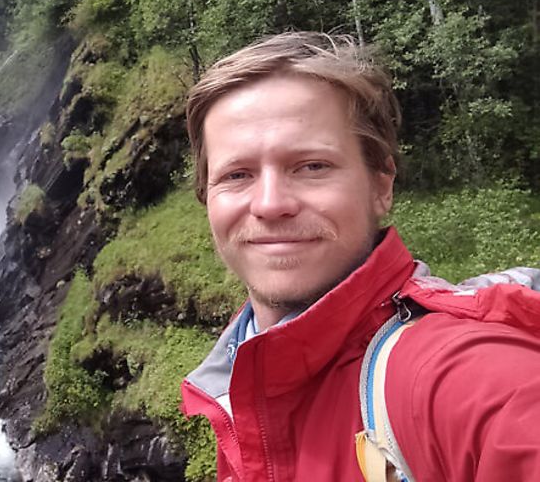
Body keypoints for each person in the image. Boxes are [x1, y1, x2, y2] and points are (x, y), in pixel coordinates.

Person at [179, 31, 540, 481]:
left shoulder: (464, 379)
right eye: (237, 174)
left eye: (312, 166)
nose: (270, 204)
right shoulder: (239, 384)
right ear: (208, 197)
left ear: (381, 184)